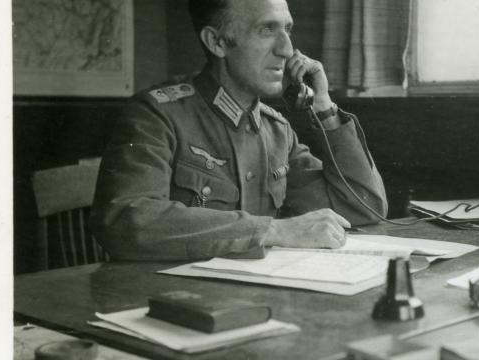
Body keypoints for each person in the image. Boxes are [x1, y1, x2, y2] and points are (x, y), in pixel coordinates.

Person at [91, 0, 387, 260]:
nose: (286, 50)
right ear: (217, 42)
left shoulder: (277, 131)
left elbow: (365, 208)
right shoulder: (157, 115)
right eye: (266, 30)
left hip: (256, 306)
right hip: (171, 306)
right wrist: (273, 229)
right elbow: (125, 221)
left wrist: (325, 108)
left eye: (288, 29)